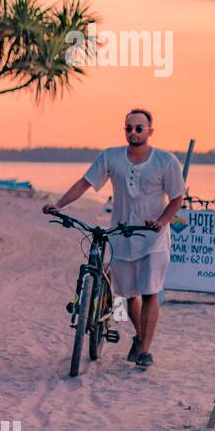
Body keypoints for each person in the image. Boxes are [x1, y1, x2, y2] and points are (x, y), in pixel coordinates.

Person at [42, 108, 186, 368]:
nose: (133, 132)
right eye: (128, 128)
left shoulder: (166, 161)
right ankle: (140, 339)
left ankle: (145, 351)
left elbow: (177, 197)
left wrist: (162, 222)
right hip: (121, 235)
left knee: (150, 292)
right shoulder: (111, 156)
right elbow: (85, 183)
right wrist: (59, 205)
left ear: (150, 131)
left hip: (153, 237)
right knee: (130, 295)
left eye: (139, 128)